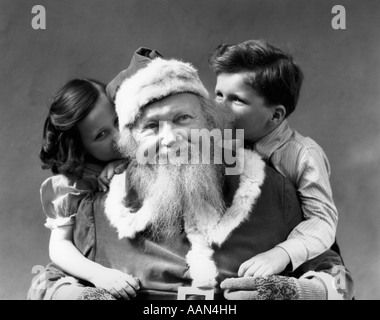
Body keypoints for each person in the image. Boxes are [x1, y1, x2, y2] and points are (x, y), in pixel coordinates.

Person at [30, 54, 354, 300]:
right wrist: (79, 296)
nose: (170, 139)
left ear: (211, 123)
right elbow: (48, 282)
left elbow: (337, 276)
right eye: (151, 128)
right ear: (129, 144)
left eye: (183, 118)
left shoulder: (273, 188)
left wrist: (291, 292)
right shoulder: (98, 206)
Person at [208, 39, 341, 279]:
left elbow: (322, 222)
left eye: (236, 99)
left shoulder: (303, 154)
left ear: (275, 115)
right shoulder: (219, 138)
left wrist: (280, 254)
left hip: (290, 257)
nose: (220, 108)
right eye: (219, 95)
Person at [36, 78, 140, 300]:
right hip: (82, 275)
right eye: (101, 135)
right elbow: (59, 246)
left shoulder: (145, 149)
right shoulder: (73, 184)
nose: (119, 137)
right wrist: (99, 275)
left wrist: (127, 167)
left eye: (118, 120)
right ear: (81, 147)